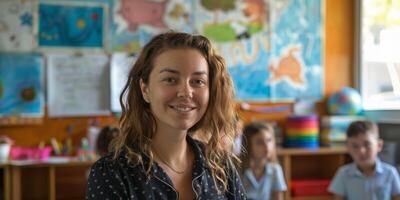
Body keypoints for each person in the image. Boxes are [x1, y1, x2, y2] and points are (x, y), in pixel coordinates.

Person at [86, 31, 246, 200]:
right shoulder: (113, 172)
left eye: (197, 81)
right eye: (170, 79)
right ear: (145, 89)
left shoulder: (220, 166)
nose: (186, 92)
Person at [328, 120, 400, 200]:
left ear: (379, 145)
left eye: (367, 144)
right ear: (348, 148)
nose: (361, 151)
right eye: (355, 146)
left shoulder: (390, 173)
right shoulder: (343, 174)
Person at [240, 120, 287, 200]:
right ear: (248, 145)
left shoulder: (275, 170)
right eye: (259, 142)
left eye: (269, 140)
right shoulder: (239, 170)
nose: (266, 146)